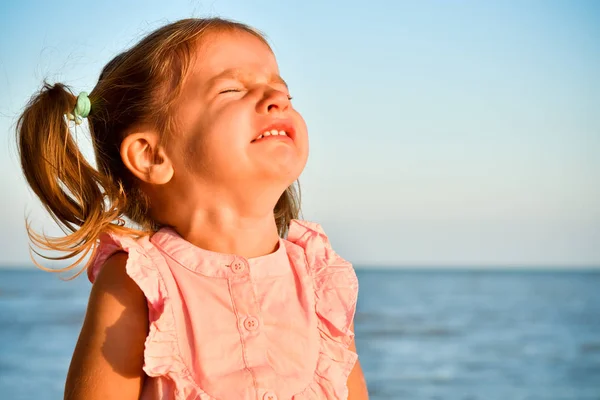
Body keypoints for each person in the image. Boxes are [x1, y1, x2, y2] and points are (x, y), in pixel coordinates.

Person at [16, 18, 369, 400]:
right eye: (232, 90)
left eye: (282, 92)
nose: (277, 99)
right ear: (151, 155)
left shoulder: (318, 282)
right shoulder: (140, 281)